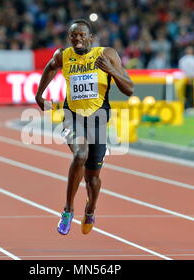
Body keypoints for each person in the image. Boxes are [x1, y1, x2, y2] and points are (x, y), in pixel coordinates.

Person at [35, 19, 133, 235]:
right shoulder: (64, 55)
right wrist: (39, 95)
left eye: (81, 35)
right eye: (73, 36)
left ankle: (90, 209)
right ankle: (68, 210)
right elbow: (51, 69)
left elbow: (129, 89)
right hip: (72, 117)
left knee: (93, 178)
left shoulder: (106, 54)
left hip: (98, 118)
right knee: (80, 155)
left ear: (91, 37)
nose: (77, 39)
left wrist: (111, 71)